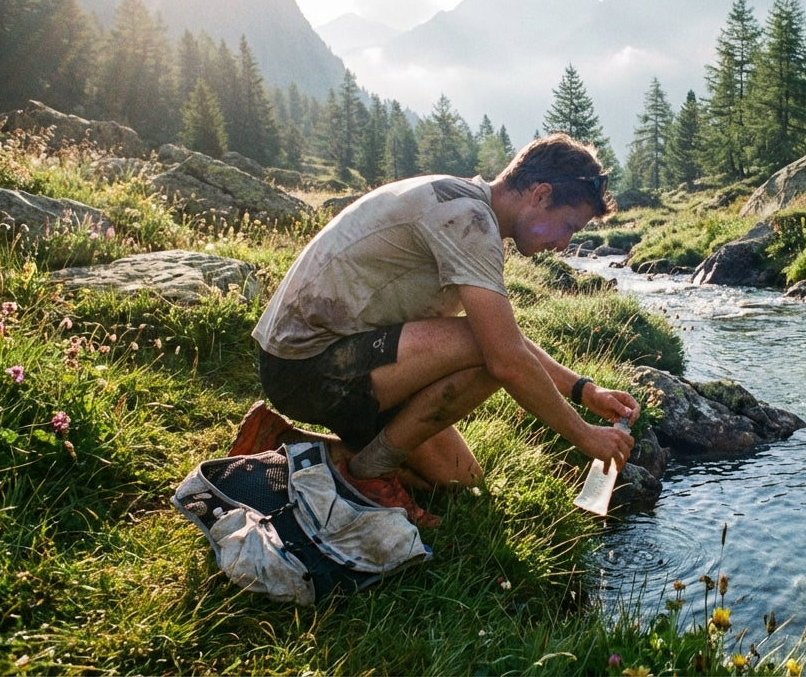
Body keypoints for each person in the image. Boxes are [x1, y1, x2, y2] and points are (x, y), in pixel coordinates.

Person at [231, 133, 639, 525]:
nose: (565, 244)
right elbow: (505, 356)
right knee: (492, 353)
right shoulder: (468, 218)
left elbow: (503, 338)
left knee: (458, 480)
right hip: (305, 366)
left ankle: (282, 444)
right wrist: (585, 436)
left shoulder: (469, 206)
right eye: (568, 226)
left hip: (352, 356)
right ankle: (368, 473)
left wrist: (585, 390)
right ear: (541, 195)